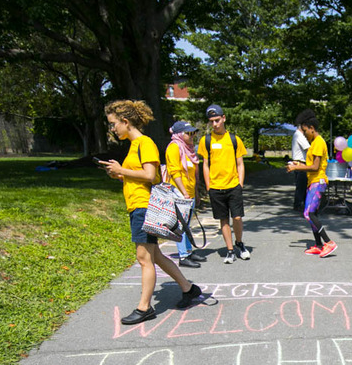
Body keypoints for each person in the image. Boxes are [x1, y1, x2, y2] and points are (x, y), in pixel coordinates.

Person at [98, 100, 201, 325]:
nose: (113, 129)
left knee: (144, 259)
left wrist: (121, 170)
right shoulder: (135, 146)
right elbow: (141, 175)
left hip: (143, 207)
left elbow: (149, 175)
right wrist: (120, 174)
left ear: (126, 122)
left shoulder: (145, 143)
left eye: (114, 124)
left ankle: (144, 308)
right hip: (137, 205)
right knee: (155, 256)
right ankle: (188, 288)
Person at [197, 104, 250, 264]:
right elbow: (205, 164)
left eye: (217, 120)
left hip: (233, 185)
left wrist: (240, 183)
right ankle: (229, 250)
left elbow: (240, 163)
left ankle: (239, 243)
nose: (215, 124)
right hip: (216, 186)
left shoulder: (234, 139)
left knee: (237, 217)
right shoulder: (206, 141)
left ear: (224, 118)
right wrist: (208, 185)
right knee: (223, 219)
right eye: (211, 121)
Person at [286, 110, 336, 258]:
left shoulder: (319, 142)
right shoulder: (314, 143)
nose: (304, 133)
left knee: (308, 213)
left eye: (305, 130)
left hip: (318, 181)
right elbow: (309, 163)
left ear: (311, 128)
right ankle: (319, 245)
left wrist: (296, 167)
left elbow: (315, 167)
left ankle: (328, 242)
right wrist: (297, 163)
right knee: (311, 214)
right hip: (312, 181)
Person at [166, 120, 206, 268]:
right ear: (179, 134)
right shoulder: (174, 148)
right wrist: (184, 192)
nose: (192, 136)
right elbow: (175, 172)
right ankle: (183, 256)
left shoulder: (188, 149)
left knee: (187, 224)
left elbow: (193, 173)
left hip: (190, 192)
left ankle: (188, 251)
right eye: (189, 133)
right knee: (181, 225)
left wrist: (196, 192)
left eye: (193, 133)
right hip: (179, 193)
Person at [290, 122, 311, 210]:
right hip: (301, 163)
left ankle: (301, 203)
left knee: (301, 185)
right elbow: (308, 148)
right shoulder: (299, 136)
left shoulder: (296, 135)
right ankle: (298, 204)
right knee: (302, 185)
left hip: (298, 162)